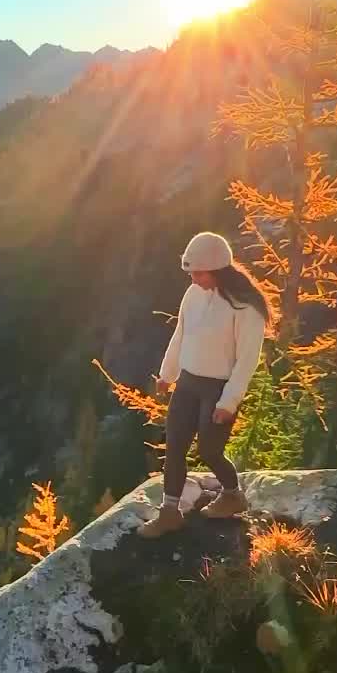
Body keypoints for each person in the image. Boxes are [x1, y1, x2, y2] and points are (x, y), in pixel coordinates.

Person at [138, 231, 269, 539]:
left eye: (199, 273)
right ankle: (169, 512)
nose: (193, 279)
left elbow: (247, 360)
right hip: (188, 383)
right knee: (175, 448)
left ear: (218, 269)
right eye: (191, 273)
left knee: (210, 451)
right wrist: (167, 374)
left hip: (218, 388)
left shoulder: (245, 307)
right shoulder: (193, 295)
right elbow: (181, 334)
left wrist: (228, 402)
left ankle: (233, 494)